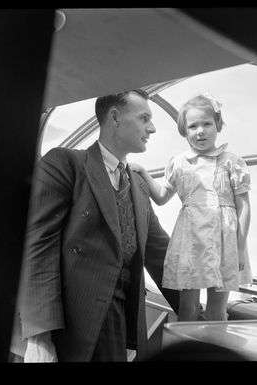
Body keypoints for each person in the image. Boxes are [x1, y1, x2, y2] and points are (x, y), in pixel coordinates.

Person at [10, 89, 179, 362]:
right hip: (70, 325)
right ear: (114, 117)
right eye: (144, 117)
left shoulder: (138, 185)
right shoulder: (65, 164)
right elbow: (38, 246)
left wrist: (201, 315)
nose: (153, 128)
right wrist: (39, 337)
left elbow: (163, 256)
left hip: (120, 327)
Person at [130, 94, 252, 322]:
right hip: (190, 243)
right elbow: (161, 196)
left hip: (224, 244)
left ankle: (215, 352)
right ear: (184, 131)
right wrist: (143, 173)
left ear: (218, 125)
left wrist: (240, 245)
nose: (200, 131)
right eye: (193, 126)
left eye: (206, 123)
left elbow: (243, 207)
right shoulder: (179, 163)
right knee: (187, 309)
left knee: (217, 312)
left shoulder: (232, 162)